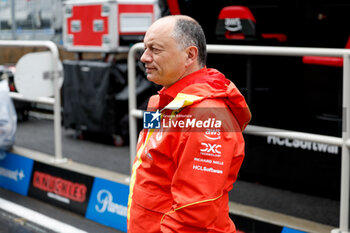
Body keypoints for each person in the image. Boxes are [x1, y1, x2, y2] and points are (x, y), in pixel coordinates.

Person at [127, 15, 251, 233]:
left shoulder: (207, 116)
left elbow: (195, 213)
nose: (144, 57)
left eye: (155, 49)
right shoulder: (163, 100)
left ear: (190, 55)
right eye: (145, 48)